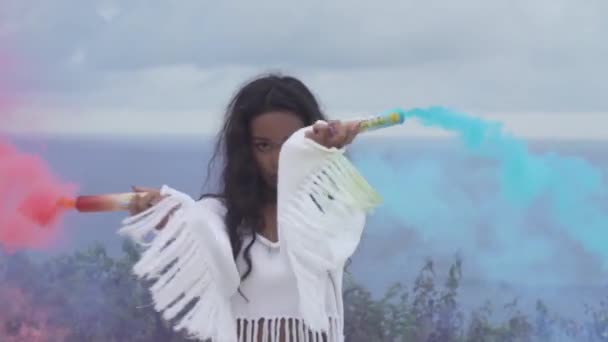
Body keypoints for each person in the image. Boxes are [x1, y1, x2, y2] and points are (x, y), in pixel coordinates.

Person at [120, 73, 380, 342]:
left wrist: (329, 153)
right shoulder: (218, 216)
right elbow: (197, 227)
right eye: (263, 146)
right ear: (246, 149)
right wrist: (172, 215)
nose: (278, 160)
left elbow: (347, 211)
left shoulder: (324, 216)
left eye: (290, 145)